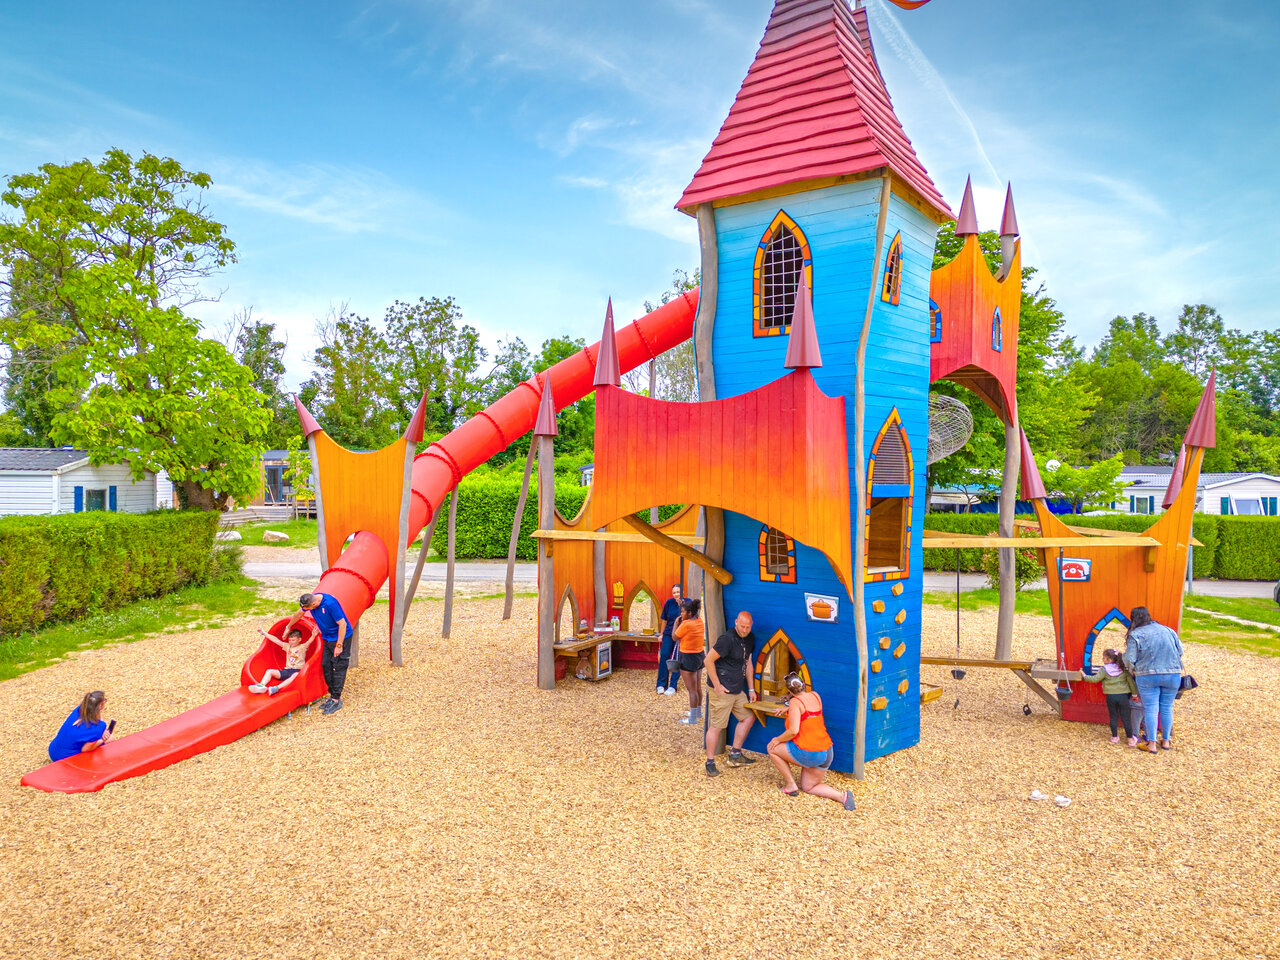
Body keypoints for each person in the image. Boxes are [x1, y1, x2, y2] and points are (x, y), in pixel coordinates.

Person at [766, 673, 855, 811]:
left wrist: (777, 739)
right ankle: (842, 796)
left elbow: (793, 731)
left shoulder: (795, 702)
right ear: (803, 685)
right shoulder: (815, 695)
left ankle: (791, 785)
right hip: (827, 751)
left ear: (789, 691)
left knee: (772, 748)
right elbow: (808, 709)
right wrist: (789, 709)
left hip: (810, 752)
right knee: (809, 787)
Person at [702, 610, 759, 777]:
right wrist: (717, 685)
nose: (745, 629)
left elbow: (748, 663)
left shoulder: (750, 638)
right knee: (717, 726)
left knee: (748, 717)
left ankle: (735, 754)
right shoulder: (726, 640)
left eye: (748, 627)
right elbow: (708, 660)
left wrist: (750, 689)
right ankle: (710, 762)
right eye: (742, 626)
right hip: (722, 689)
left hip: (737, 689)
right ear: (736, 622)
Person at [1123, 606, 1183, 754]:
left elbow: (1130, 659)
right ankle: (1167, 741)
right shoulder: (1168, 630)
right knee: (1167, 707)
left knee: (1151, 708)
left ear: (1133, 619)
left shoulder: (1136, 634)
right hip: (1173, 674)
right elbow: (1180, 651)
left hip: (1147, 675)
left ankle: (1152, 744)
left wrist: (1132, 670)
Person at [283, 592, 353, 715]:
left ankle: (336, 699)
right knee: (326, 665)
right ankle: (332, 696)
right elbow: (299, 613)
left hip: (342, 638)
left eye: (308, 608)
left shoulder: (330, 604)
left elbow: (342, 624)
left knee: (339, 667)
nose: (306, 610)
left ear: (314, 604)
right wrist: (288, 627)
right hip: (327, 638)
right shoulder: (310, 601)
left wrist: (339, 645)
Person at [1078, 648, 1138, 744]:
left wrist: (1084, 676)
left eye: (1104, 658)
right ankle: (1130, 739)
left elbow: (1095, 679)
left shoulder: (1104, 670)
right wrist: (1134, 694)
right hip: (1123, 696)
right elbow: (1131, 683)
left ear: (1109, 660)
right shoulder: (1123, 669)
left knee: (1113, 716)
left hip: (1110, 696)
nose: (1103, 659)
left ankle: (1114, 737)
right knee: (1126, 717)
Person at [48, 691, 113, 762]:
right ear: (100, 706)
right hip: (64, 759)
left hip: (53, 750)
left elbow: (98, 718)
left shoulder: (79, 709)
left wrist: (102, 731)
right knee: (110, 739)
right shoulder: (97, 727)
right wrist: (102, 739)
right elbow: (85, 749)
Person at [248, 628, 311, 696]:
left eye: (293, 640)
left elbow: (309, 642)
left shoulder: (302, 647)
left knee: (295, 675)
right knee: (269, 671)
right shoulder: (287, 646)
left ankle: (276, 688)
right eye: (289, 640)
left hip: (297, 671)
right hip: (286, 670)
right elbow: (276, 640)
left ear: (299, 639)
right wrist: (263, 633)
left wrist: (313, 635)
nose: (291, 642)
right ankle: (261, 686)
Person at [674, 598, 705, 725]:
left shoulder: (686, 624)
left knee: (691, 690)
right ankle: (697, 712)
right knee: (697, 686)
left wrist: (677, 623)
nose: (681, 614)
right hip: (699, 655)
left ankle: (692, 719)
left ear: (690, 613)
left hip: (687, 656)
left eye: (683, 612)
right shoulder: (699, 621)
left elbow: (674, 636)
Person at [656, 584, 683, 697]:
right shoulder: (669, 603)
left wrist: (682, 605)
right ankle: (661, 684)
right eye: (674, 592)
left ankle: (672, 686)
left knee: (677, 658)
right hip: (668, 633)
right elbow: (664, 620)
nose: (676, 594)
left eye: (678, 592)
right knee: (664, 656)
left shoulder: (687, 602)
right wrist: (661, 634)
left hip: (681, 635)